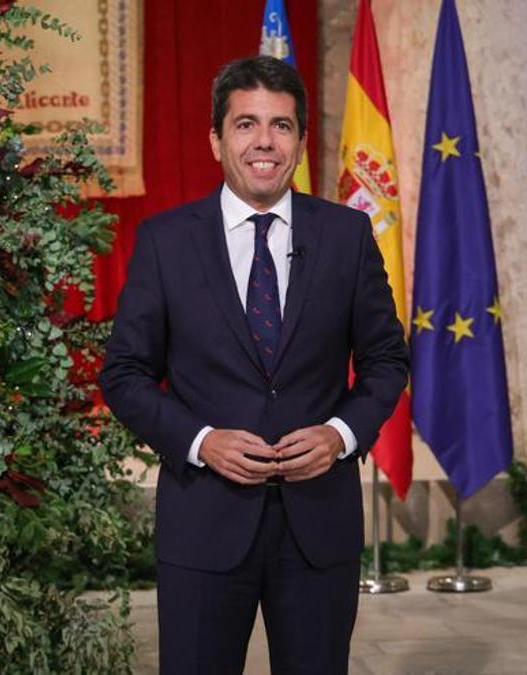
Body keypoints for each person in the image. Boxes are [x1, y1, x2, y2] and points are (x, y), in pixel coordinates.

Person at [99, 55, 408, 674]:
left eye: (281, 125)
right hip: (204, 523)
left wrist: (340, 435)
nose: (264, 141)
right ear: (216, 139)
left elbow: (385, 359)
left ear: (298, 141)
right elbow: (124, 373)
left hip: (318, 527)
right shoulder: (167, 242)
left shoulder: (348, 236)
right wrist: (201, 440)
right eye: (245, 124)